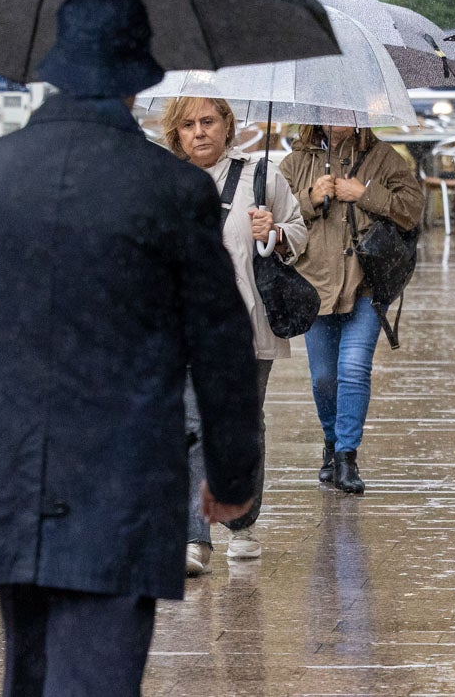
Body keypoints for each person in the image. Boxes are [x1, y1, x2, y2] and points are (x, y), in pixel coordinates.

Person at [0, 0, 260, 695]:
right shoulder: (173, 190)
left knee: (30, 667)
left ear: (52, 69)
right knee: (97, 675)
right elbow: (221, 343)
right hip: (121, 474)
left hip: (7, 469)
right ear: (139, 79)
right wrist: (232, 478)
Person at [161, 96, 307, 573]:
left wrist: (276, 232)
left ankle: (242, 524)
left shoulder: (262, 177)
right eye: (188, 124)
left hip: (247, 328)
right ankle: (193, 537)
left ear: (228, 124)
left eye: (208, 121)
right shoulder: (161, 180)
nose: (199, 132)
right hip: (180, 327)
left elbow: (299, 231)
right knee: (193, 426)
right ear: (176, 133)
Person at [280, 125, 423, 494]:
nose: (336, 119)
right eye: (328, 113)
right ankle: (331, 443)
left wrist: (366, 194)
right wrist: (310, 197)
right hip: (314, 288)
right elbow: (272, 217)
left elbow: (413, 210)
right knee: (324, 378)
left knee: (354, 368)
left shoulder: (385, 158)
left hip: (366, 286)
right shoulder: (295, 163)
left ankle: (346, 456)